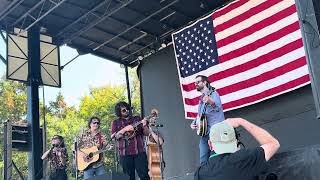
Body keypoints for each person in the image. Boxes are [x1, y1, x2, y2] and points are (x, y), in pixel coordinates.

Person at [194, 118, 280, 180]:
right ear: (236, 142)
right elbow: (273, 144)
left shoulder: (200, 174)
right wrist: (241, 122)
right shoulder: (245, 159)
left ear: (210, 144)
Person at [190, 75, 225, 165]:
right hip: (204, 134)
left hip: (215, 131)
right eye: (195, 83)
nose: (195, 84)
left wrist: (211, 101)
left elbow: (218, 108)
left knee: (218, 160)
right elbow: (200, 115)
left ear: (205, 82)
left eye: (198, 82)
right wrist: (194, 123)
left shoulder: (213, 94)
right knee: (203, 161)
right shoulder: (201, 99)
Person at [111, 101, 150, 180]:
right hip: (125, 154)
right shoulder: (116, 122)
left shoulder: (137, 119)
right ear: (119, 112)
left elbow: (146, 133)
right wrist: (125, 129)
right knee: (129, 178)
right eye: (124, 110)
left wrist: (145, 125)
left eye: (128, 109)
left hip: (139, 152)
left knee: (144, 176)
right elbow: (114, 137)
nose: (127, 111)